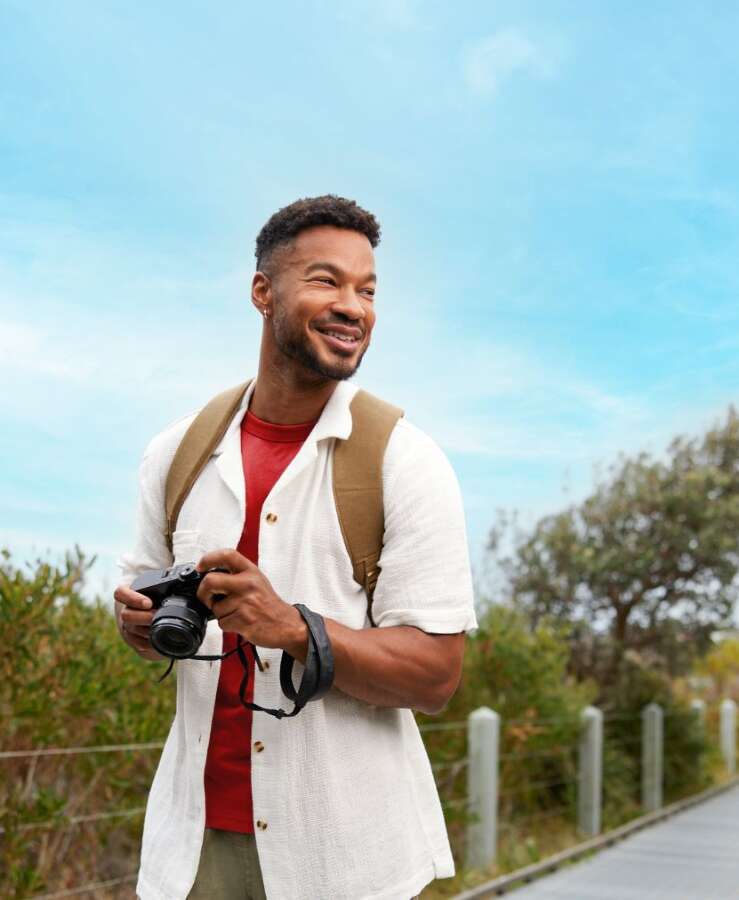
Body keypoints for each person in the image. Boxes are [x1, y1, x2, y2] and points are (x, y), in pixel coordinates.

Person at [114, 195, 478, 900]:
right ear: (262, 291)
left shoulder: (406, 460)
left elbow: (435, 675)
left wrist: (291, 629)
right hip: (191, 850)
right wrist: (138, 626)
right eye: (325, 280)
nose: (354, 306)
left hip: (343, 861)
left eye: (366, 290)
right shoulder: (177, 451)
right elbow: (141, 612)